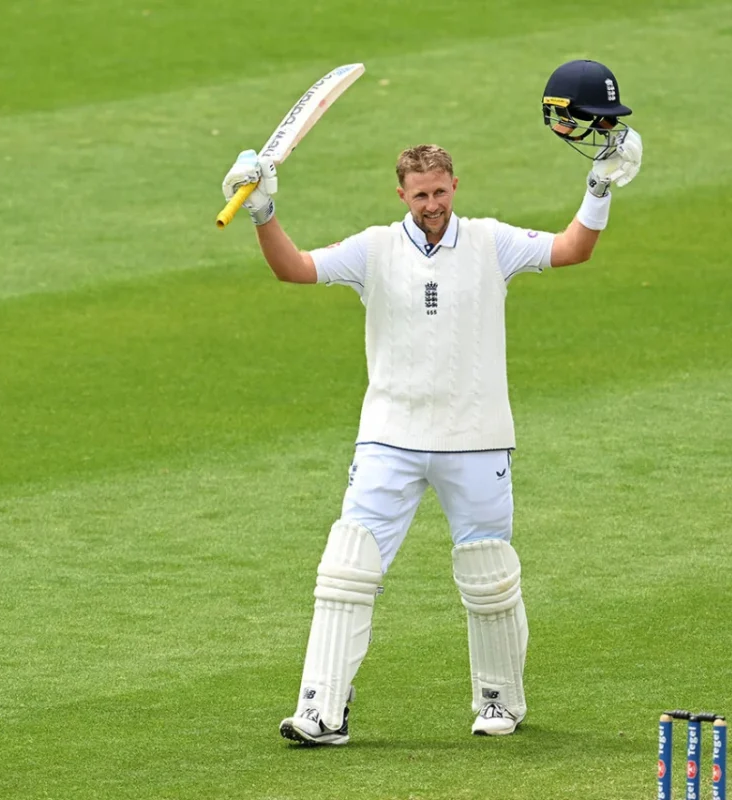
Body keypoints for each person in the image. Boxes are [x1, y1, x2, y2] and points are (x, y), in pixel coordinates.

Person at [220, 59, 642, 745]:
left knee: (488, 574)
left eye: (440, 192)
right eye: (420, 195)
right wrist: (263, 210)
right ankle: (322, 710)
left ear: (454, 187)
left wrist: (599, 185)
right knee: (347, 565)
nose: (432, 205)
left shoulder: (492, 242)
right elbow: (292, 269)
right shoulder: (374, 249)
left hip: (475, 438)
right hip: (389, 436)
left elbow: (573, 249)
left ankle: (500, 703)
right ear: (401, 193)